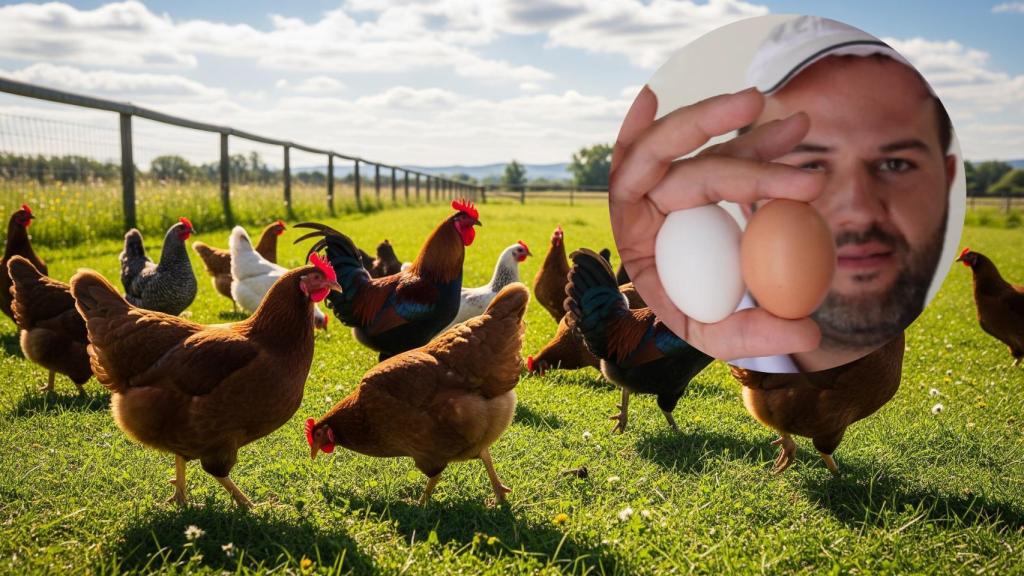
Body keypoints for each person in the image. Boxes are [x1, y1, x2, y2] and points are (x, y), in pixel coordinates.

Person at [610, 16, 956, 370]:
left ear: (948, 182)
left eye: (895, 164)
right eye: (809, 166)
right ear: (745, 196)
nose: (858, 209)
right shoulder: (694, 320)